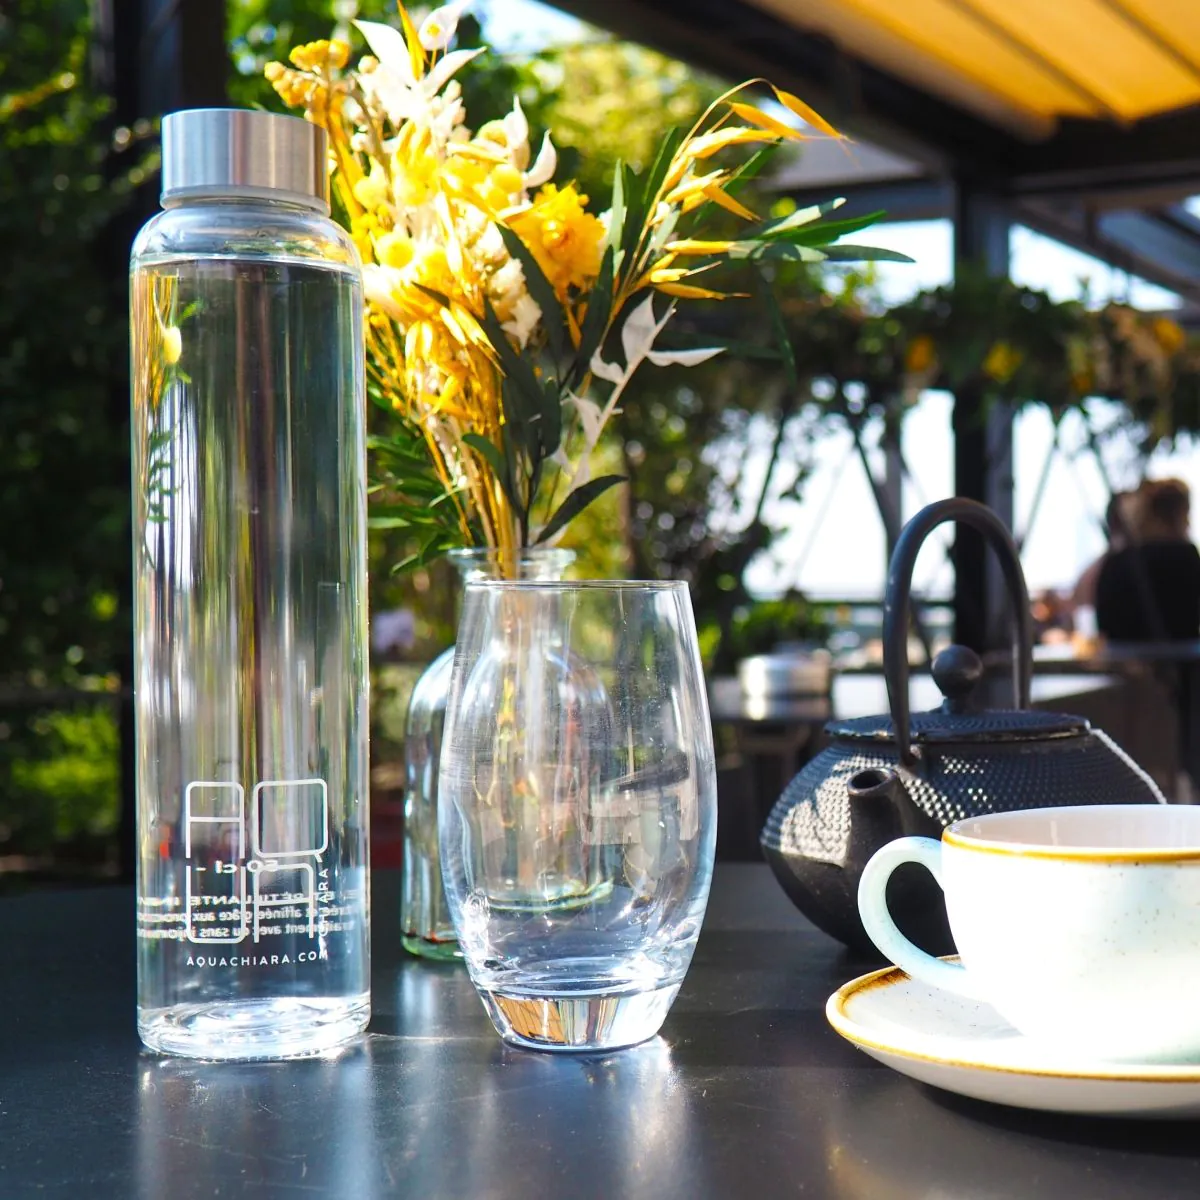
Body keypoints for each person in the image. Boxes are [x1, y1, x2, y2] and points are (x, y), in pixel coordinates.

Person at [1095, 479, 1200, 642]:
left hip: (1123, 663)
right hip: (1180, 661)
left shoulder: (1117, 561)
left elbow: (1105, 624)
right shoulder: (1185, 557)